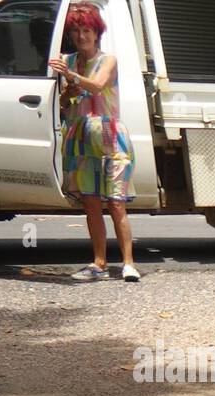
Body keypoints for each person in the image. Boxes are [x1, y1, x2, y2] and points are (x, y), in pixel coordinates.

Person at [49, 3, 139, 282]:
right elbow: (64, 105)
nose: (81, 36)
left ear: (97, 32)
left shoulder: (108, 60)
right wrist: (69, 90)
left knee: (116, 203)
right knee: (90, 203)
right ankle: (99, 263)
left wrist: (71, 76)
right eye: (75, 31)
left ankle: (128, 264)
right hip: (80, 138)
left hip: (109, 137)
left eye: (86, 30)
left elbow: (99, 85)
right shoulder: (69, 60)